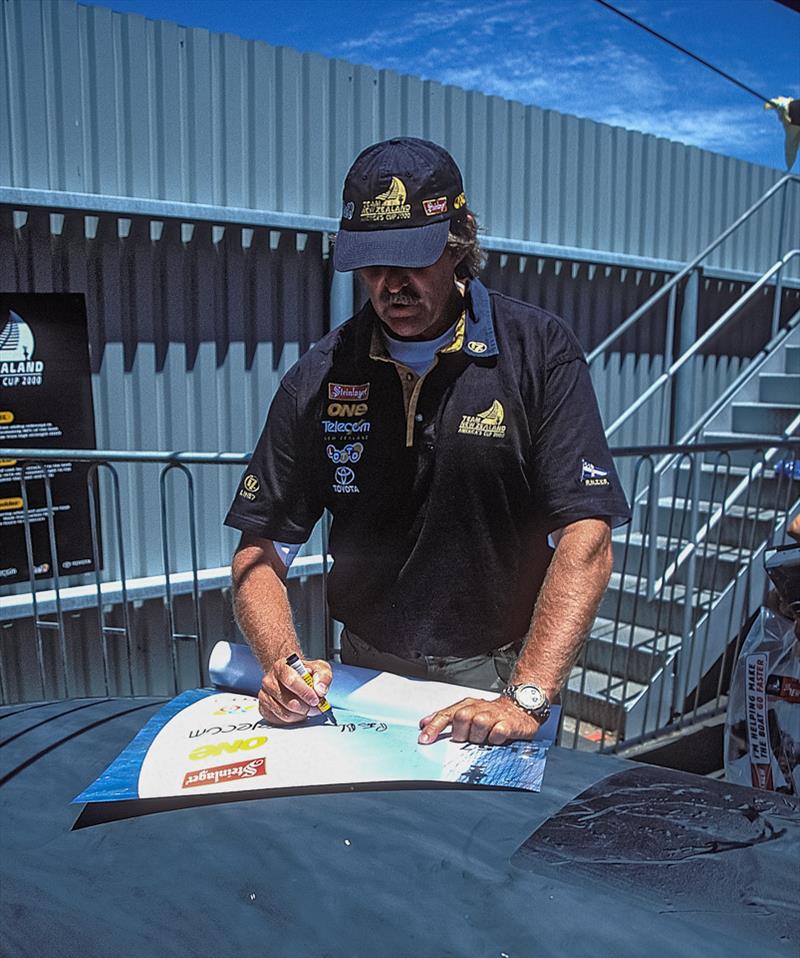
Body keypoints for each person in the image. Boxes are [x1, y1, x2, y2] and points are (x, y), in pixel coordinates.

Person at [226, 137, 631, 745]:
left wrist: (527, 694)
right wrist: (282, 665)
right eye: (373, 265)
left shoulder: (537, 350)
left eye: (414, 258)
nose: (393, 284)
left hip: (496, 676)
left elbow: (587, 535)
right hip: (361, 673)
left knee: (484, 840)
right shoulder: (321, 374)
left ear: (458, 240)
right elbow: (261, 548)